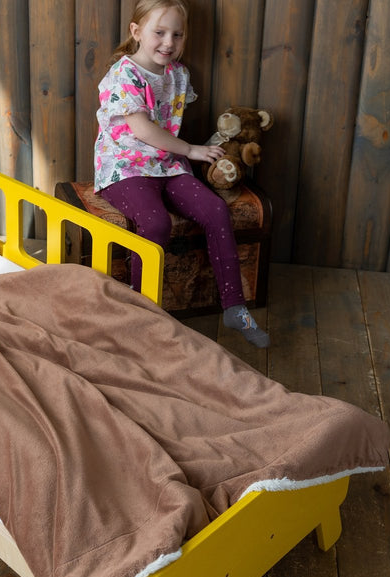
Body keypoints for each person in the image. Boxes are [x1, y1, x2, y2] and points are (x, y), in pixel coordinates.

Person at [93, 0, 269, 348]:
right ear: (136, 31)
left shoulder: (178, 74)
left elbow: (166, 126)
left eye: (177, 34)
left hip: (166, 165)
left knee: (216, 210)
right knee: (156, 222)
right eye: (159, 32)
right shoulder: (124, 74)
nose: (168, 42)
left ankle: (234, 306)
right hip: (124, 167)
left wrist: (201, 150)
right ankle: (142, 313)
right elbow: (142, 129)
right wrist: (190, 149)